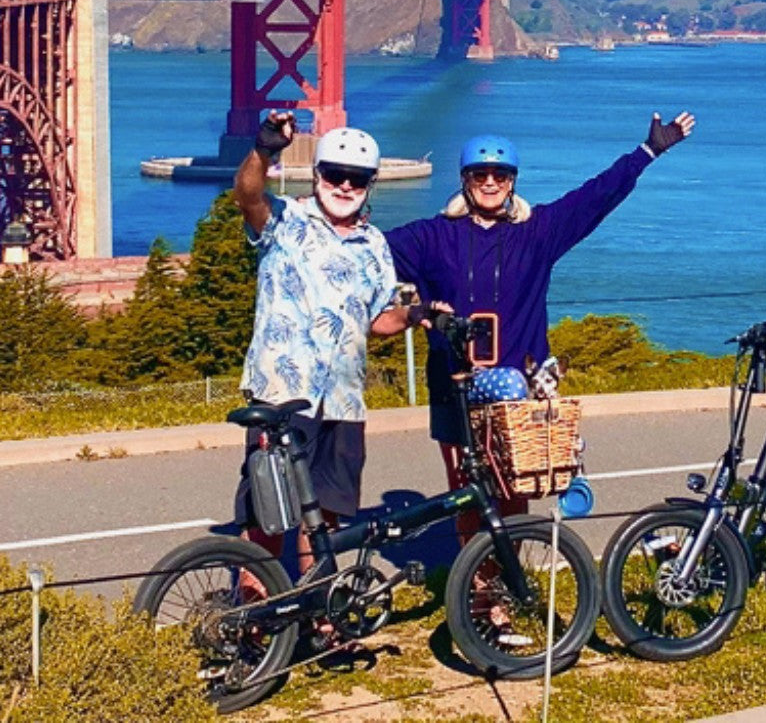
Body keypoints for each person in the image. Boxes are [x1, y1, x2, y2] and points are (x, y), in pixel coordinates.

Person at [385, 111, 695, 526]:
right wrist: (316, 219)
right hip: (452, 383)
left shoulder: (536, 233)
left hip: (519, 384)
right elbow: (368, 252)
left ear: (512, 181)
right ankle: (474, 586)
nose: (490, 183)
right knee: (464, 492)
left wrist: (648, 151)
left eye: (500, 175)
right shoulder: (433, 237)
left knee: (515, 486)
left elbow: (595, 197)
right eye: (480, 175)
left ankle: (506, 583)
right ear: (465, 180)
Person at [232, 111, 439, 574]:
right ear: (317, 174)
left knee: (324, 519)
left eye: (358, 180)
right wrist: (264, 150)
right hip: (284, 395)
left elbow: (377, 320)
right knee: (267, 512)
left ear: (370, 186)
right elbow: (246, 195)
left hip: (344, 402)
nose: (345, 187)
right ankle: (251, 615)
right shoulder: (284, 220)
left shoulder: (375, 245)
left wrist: (414, 315)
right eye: (336, 175)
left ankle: (317, 610)